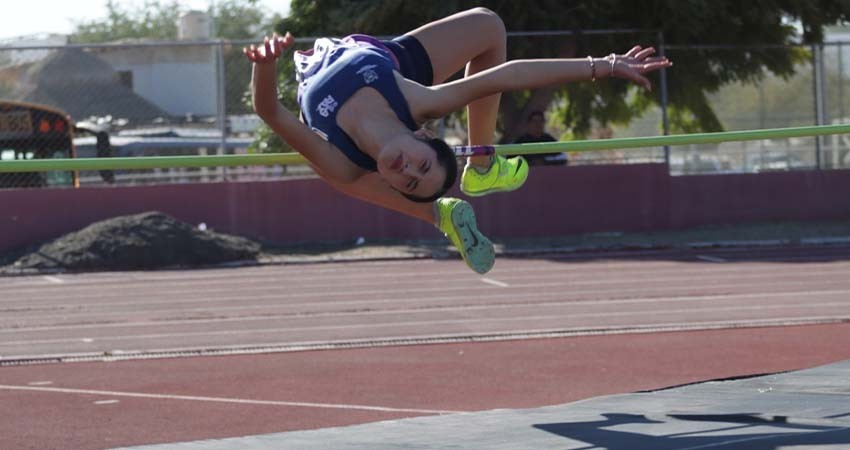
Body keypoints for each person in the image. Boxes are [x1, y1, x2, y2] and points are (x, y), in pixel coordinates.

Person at [243, 7, 671, 274]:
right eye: (422, 166)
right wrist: (604, 64)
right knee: (488, 25)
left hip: (328, 80)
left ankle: (439, 214)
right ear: (425, 136)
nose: (407, 169)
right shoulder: (421, 101)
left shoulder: (346, 160)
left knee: (340, 176)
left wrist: (264, 66)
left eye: (408, 181)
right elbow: (508, 75)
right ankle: (481, 167)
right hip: (386, 59)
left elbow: (269, 111)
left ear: (392, 185)